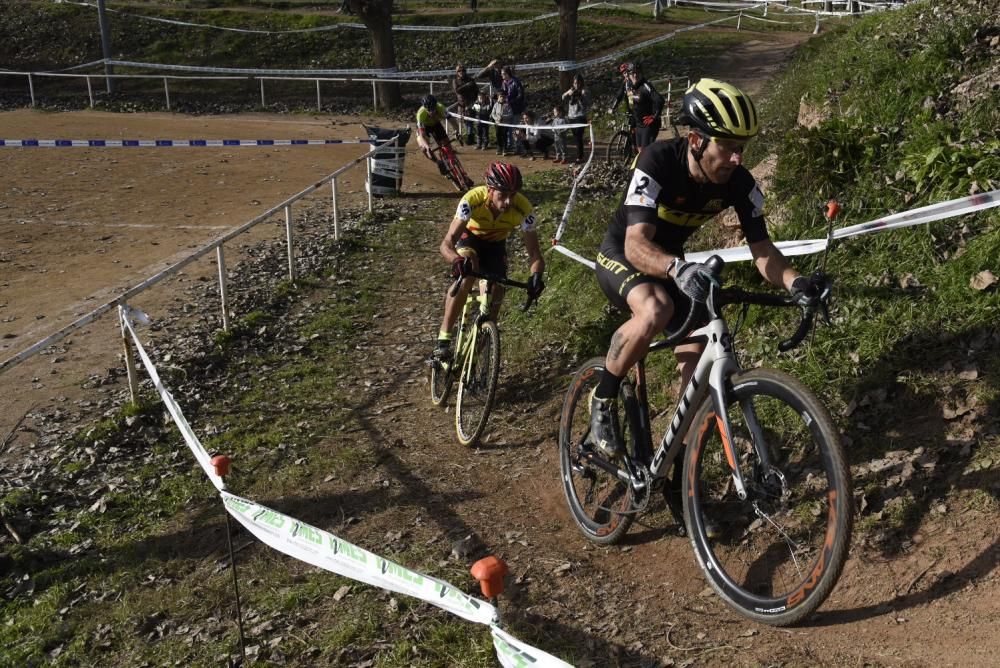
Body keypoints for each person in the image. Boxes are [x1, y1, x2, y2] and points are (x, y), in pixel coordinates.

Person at [588, 78, 822, 456]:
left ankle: (676, 461)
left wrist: (797, 283)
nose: (737, 159)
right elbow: (635, 244)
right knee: (656, 308)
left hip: (674, 265)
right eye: (728, 147)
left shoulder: (738, 183)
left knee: (696, 363)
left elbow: (762, 249)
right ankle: (604, 395)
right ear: (696, 140)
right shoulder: (658, 161)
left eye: (741, 148)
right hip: (625, 254)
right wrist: (675, 269)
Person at [433, 162, 545, 361]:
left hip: (496, 245)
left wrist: (536, 276)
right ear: (490, 190)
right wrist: (456, 260)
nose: (509, 201)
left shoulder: (524, 209)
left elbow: (535, 253)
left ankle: (480, 352)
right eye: (503, 194)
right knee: (468, 271)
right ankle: (444, 337)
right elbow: (447, 242)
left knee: (496, 290)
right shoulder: (472, 199)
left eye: (513, 194)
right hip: (471, 237)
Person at [625, 62, 664, 150]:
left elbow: (660, 100)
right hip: (638, 125)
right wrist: (633, 123)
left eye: (637, 73)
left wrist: (654, 116)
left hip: (649, 125)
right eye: (632, 73)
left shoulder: (645, 86)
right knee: (639, 150)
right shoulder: (631, 86)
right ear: (629, 75)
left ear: (641, 73)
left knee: (644, 152)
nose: (635, 75)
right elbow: (633, 105)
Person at [415, 94, 454, 176]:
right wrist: (427, 147)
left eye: (433, 109)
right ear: (425, 109)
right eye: (429, 110)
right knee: (424, 149)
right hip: (425, 127)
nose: (432, 112)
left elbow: (452, 120)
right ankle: (438, 162)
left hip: (436, 124)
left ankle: (452, 160)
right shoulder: (420, 114)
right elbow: (422, 135)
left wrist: (457, 131)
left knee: (446, 142)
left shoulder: (441, 107)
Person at [561, 74, 591, 163]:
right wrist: (568, 93)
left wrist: (580, 97)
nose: (576, 85)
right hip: (571, 116)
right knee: (575, 137)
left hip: (580, 117)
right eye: (575, 83)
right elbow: (563, 97)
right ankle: (579, 154)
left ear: (581, 82)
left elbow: (585, 105)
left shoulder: (584, 91)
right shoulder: (572, 89)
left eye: (578, 83)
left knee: (579, 137)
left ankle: (580, 157)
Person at [452, 63, 479, 146]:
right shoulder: (455, 81)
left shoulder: (470, 79)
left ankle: (472, 138)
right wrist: (467, 85)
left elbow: (476, 90)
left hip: (472, 103)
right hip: (462, 104)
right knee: (464, 122)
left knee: (473, 121)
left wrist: (475, 101)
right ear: (457, 72)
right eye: (459, 71)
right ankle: (466, 138)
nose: (461, 72)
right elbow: (457, 90)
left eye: (463, 70)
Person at [490, 91, 513, 156]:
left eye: (503, 97)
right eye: (500, 97)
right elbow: (493, 113)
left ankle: (504, 149)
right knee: (498, 135)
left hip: (505, 124)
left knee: (504, 136)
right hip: (497, 123)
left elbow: (511, 114)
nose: (502, 98)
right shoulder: (496, 104)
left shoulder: (508, 105)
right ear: (498, 97)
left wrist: (503, 117)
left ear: (505, 97)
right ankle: (499, 147)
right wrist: (497, 119)